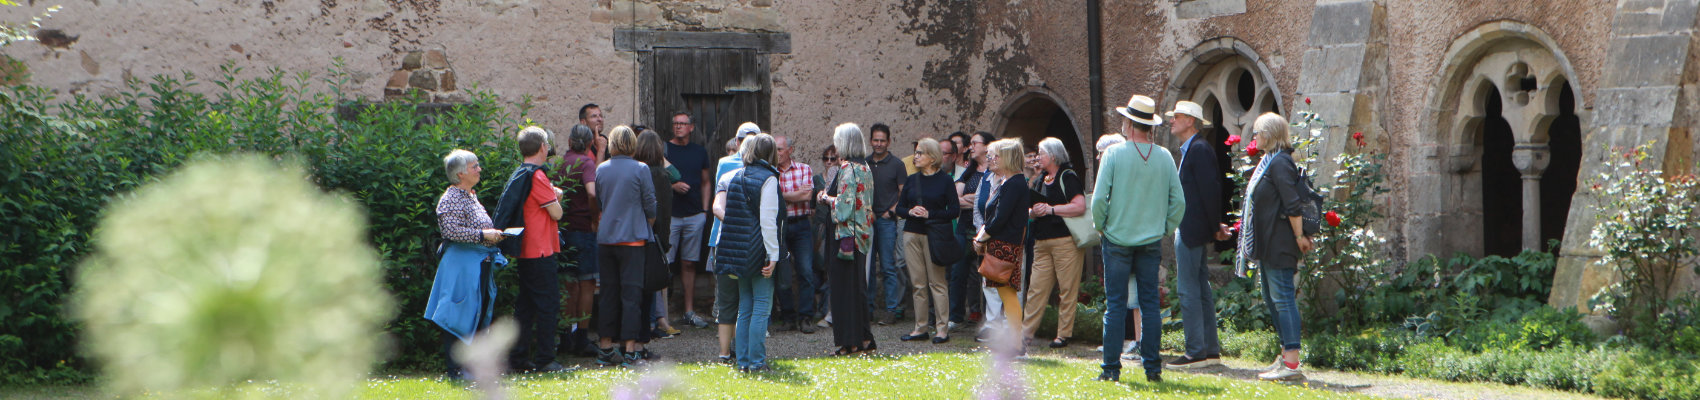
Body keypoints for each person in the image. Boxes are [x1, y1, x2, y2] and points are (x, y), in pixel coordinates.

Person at [1092, 94, 1185, 383]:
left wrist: (1102, 226)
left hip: (1117, 239)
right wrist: (1163, 229)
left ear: (1128, 123)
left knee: (1116, 305)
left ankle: (1110, 371)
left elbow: (1098, 201)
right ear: (1150, 127)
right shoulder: (1164, 156)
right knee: (1149, 306)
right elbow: (1178, 203)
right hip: (1150, 241)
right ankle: (1153, 369)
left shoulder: (1113, 154)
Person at [1239, 112, 1311, 381]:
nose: (1254, 137)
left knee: (1283, 299)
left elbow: (1292, 204)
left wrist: (1299, 236)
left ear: (1268, 135)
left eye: (1257, 132)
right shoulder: (1269, 161)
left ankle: (1292, 364)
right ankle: (1285, 356)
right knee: (1273, 299)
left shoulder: (1280, 162)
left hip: (1281, 243)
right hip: (1269, 244)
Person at [425, 149, 507, 380]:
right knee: (458, 315)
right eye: (475, 166)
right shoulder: (451, 198)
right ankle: (457, 371)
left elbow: (474, 230)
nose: (479, 169)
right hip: (461, 268)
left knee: (477, 315)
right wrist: (483, 235)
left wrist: (493, 236)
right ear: (461, 173)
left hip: (478, 264)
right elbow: (451, 231)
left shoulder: (470, 195)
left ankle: (473, 369)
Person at [711, 134, 784, 372]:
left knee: (745, 307)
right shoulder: (769, 179)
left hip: (738, 251)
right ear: (771, 153)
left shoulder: (735, 176)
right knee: (761, 306)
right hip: (760, 250)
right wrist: (773, 255)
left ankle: (743, 361)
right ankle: (756, 362)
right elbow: (768, 221)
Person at [496, 126, 566, 373]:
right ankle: (546, 359)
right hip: (541, 251)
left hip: (525, 250)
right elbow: (556, 212)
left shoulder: (521, 172)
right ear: (543, 148)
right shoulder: (538, 176)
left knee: (525, 308)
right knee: (548, 306)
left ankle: (518, 359)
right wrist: (557, 195)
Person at [1165, 101, 1230, 369]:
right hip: (1192, 227)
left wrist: (1215, 225)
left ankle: (1195, 352)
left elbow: (1210, 190)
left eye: (1176, 116)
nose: (1171, 120)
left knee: (1188, 289)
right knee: (1200, 288)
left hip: (1191, 229)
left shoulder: (1199, 149)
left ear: (1191, 120)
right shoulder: (1194, 149)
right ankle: (1209, 351)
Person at [594, 125, 658, 367]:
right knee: (631, 295)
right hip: (632, 239)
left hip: (606, 239)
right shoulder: (640, 169)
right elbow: (650, 204)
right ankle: (630, 349)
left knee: (608, 294)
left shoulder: (601, 169)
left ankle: (605, 347)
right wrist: (648, 223)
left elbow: (600, 201)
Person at [1023, 137, 1088, 348]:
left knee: (1067, 289)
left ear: (1052, 155)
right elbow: (1033, 209)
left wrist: (1051, 209)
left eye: (1040, 153)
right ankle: (1026, 333)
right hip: (1041, 241)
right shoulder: (1041, 179)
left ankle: (1063, 334)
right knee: (1036, 289)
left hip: (1065, 240)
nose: (1037, 158)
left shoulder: (1068, 176)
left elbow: (1079, 206)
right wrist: (1034, 211)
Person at [895, 138, 961, 344]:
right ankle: (920, 328)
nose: (915, 156)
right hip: (911, 234)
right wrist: (911, 211)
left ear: (932, 158)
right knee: (918, 284)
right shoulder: (912, 180)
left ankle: (942, 329)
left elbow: (954, 210)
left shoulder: (945, 181)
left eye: (920, 153)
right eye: (916, 153)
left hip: (935, 237)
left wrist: (929, 214)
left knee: (937, 283)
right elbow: (899, 208)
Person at [821, 123, 878, 356]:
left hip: (844, 238)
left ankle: (850, 342)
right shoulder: (865, 167)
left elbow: (844, 209)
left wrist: (825, 197)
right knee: (857, 289)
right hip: (861, 237)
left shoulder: (847, 169)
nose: (834, 146)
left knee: (844, 291)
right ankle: (864, 338)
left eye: (837, 141)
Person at [709, 123, 760, 364]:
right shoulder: (763, 175)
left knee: (731, 299)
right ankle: (738, 351)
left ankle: (726, 353)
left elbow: (717, 206)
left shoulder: (729, 175)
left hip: (727, 240)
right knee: (743, 298)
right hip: (745, 242)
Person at [1088, 133, 1140, 361]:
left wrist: (1100, 227)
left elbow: (1101, 202)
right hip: (1121, 237)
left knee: (1135, 296)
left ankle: (1139, 344)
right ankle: (1117, 343)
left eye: (1102, 153)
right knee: (1122, 295)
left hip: (1126, 238)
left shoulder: (1124, 173)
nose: (1099, 158)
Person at [976, 138, 1030, 348]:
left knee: (1008, 294)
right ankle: (1015, 343)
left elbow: (1000, 217)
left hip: (1006, 245)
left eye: (995, 156)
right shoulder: (1009, 182)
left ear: (1007, 157)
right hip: (1002, 243)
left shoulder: (1014, 183)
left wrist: (982, 236)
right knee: (1006, 294)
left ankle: (1016, 344)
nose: (991, 159)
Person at [555, 124, 602, 357]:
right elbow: (592, 192)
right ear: (589, 143)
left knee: (568, 284)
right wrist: (595, 217)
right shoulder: (586, 163)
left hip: (563, 229)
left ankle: (566, 337)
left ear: (570, 140)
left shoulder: (560, 163)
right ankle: (582, 338)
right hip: (583, 229)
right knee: (586, 284)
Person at [664, 111, 713, 329]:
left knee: (689, 263)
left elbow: (705, 182)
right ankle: (662, 315)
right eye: (675, 123)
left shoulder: (699, 151)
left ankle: (689, 311)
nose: (678, 127)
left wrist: (704, 210)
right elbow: (655, 177)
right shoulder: (664, 149)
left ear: (691, 127)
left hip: (694, 215)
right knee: (665, 263)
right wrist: (672, 186)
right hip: (671, 215)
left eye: (683, 124)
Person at [635, 128, 683, 344]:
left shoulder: (636, 171)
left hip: (635, 234)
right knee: (650, 284)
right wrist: (663, 242)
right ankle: (650, 326)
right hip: (653, 236)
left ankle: (649, 325)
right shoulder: (659, 175)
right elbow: (662, 211)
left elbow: (677, 176)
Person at [773, 135, 820, 334]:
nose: (777, 153)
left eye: (780, 149)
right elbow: (794, 196)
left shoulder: (804, 169)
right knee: (782, 272)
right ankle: (788, 317)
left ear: (790, 150)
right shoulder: (770, 171)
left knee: (806, 271)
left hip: (801, 225)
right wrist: (794, 196)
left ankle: (806, 317)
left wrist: (780, 195)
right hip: (779, 225)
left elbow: (807, 196)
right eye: (775, 149)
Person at [865, 123, 908, 325]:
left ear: (888, 141)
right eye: (875, 140)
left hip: (886, 222)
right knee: (868, 268)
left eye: (882, 140)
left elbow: (904, 194)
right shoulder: (864, 163)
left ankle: (891, 310)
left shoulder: (897, 165)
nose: (879, 144)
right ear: (870, 141)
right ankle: (868, 310)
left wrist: (890, 212)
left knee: (888, 267)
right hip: (867, 221)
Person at [964, 131, 1002, 341]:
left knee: (1003, 283)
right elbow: (979, 205)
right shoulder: (986, 177)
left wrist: (989, 232)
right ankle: (992, 323)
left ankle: (1004, 326)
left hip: (1001, 238)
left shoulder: (1008, 180)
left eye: (992, 156)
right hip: (985, 236)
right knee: (987, 282)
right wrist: (981, 230)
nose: (989, 160)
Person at [944, 131, 975, 327]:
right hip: (958, 227)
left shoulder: (969, 171)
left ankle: (977, 311)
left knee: (979, 273)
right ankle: (955, 314)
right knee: (956, 272)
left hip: (975, 226)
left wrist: (973, 200)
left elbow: (984, 200)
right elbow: (952, 200)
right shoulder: (965, 173)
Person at [811, 145, 840, 329]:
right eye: (826, 158)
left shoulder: (841, 178)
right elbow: (812, 206)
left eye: (833, 158)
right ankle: (817, 308)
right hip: (818, 227)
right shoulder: (816, 180)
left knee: (830, 270)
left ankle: (829, 311)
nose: (829, 162)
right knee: (816, 269)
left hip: (834, 227)